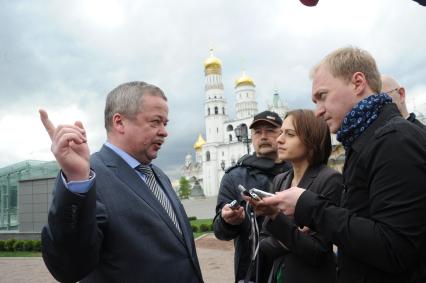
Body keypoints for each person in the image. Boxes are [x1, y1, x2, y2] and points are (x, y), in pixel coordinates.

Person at [259, 47, 426, 283]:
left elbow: (395, 248)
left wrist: (308, 205)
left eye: (323, 96)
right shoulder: (366, 141)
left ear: (358, 83)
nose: (318, 112)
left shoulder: (394, 140)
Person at [40, 81, 204, 283]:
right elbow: (69, 268)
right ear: (119, 122)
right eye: (155, 122)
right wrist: (77, 180)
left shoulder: (159, 176)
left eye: (165, 123)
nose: (164, 131)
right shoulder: (88, 177)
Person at [252, 109, 342, 283]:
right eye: (281, 133)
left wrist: (275, 218)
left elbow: (318, 253)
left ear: (311, 139)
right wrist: (295, 236)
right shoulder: (281, 180)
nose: (279, 139)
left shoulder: (330, 180)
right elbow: (263, 243)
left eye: (289, 134)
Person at [213, 110, 291, 283]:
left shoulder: (298, 170)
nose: (263, 136)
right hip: (253, 272)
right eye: (257, 132)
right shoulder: (234, 177)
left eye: (270, 130)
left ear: (282, 133)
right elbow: (219, 230)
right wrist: (229, 221)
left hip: (294, 268)